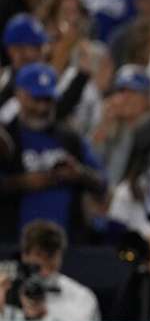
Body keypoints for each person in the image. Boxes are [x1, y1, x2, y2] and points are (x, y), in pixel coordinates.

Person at [0, 63, 106, 243]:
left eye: (48, 100)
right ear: (19, 95)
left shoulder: (70, 138)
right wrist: (23, 182)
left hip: (68, 244)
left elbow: (102, 182)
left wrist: (79, 174)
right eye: (36, 99)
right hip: (13, 242)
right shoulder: (7, 140)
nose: (42, 108)